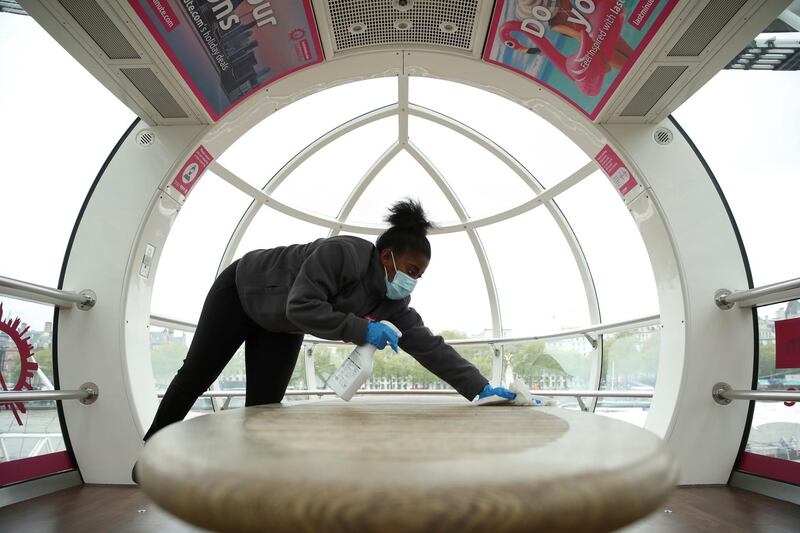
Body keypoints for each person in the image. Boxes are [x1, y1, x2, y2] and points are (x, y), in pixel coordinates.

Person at [140, 199, 515, 447]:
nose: (413, 280)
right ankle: (151, 453)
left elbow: (428, 345)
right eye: (412, 270)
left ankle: (252, 477)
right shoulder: (342, 254)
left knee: (264, 405)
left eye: (420, 275)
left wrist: (481, 388)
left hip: (279, 324)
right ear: (387, 257)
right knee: (196, 375)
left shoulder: (394, 302)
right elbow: (300, 306)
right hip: (243, 290)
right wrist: (363, 329)